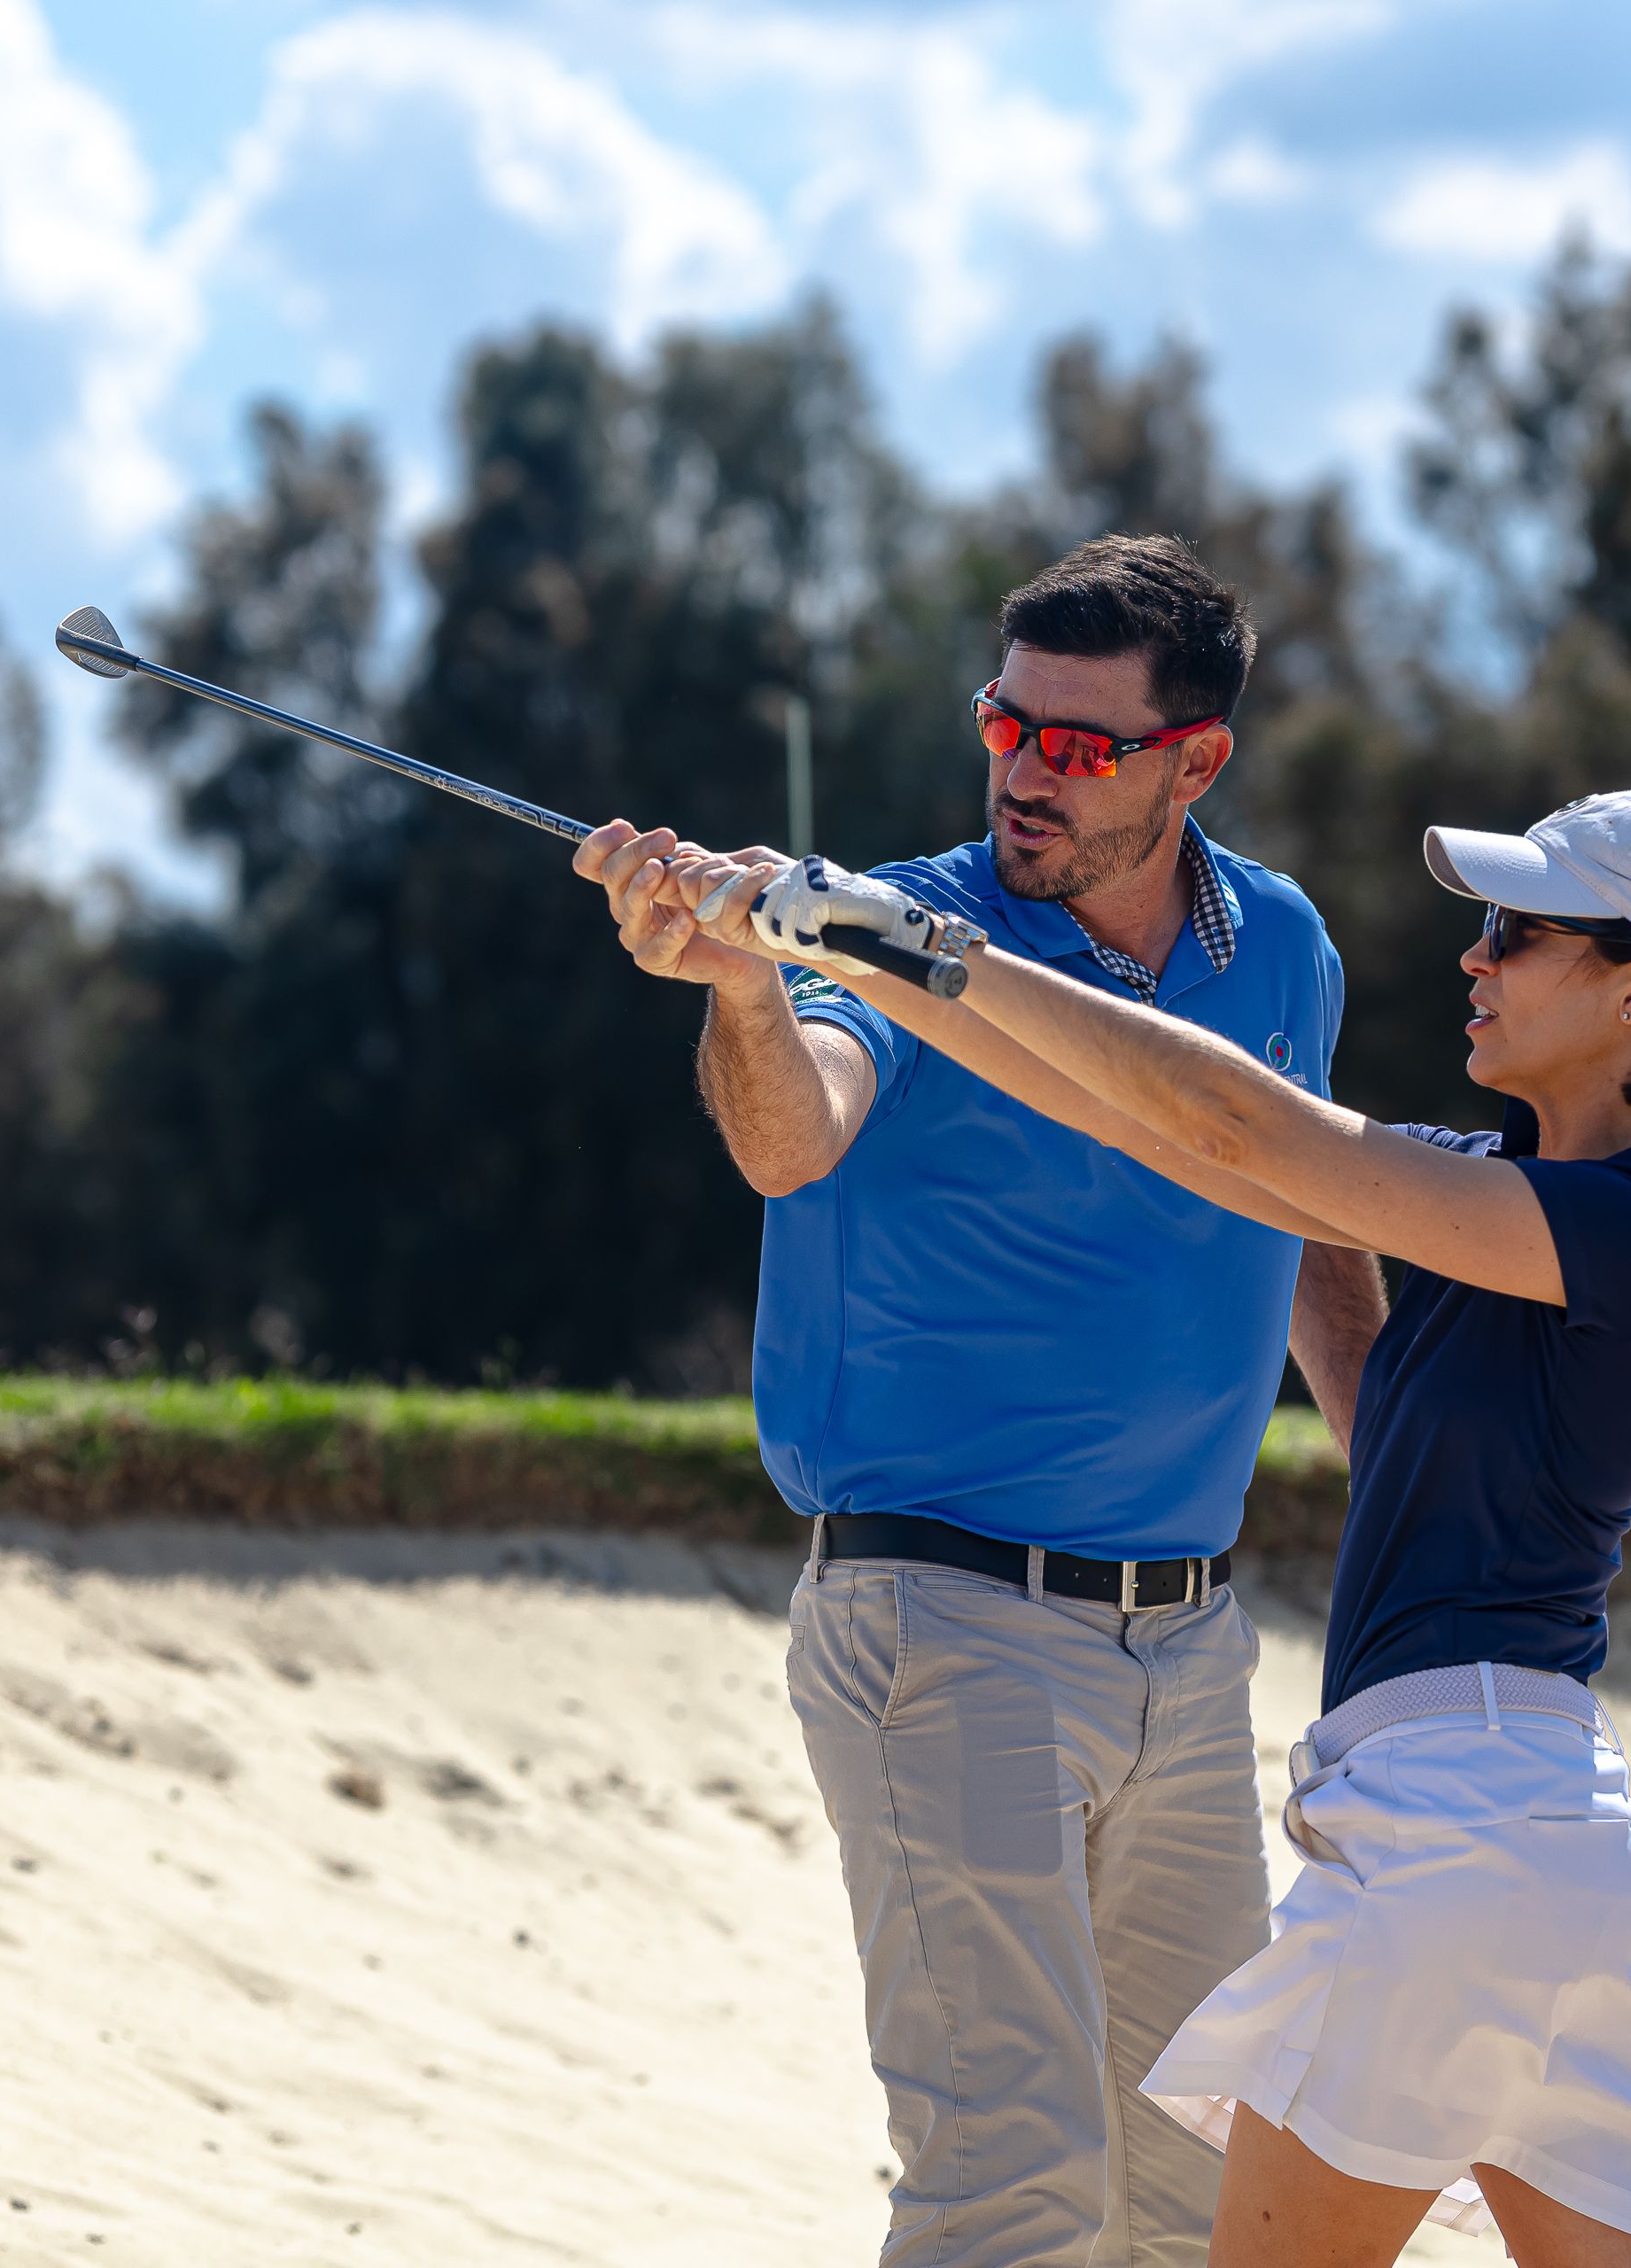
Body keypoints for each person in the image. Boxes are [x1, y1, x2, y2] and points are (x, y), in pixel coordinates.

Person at [650, 787, 1631, 2266]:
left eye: (1519, 932)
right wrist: (851, 965)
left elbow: (1242, 1122)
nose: (1477, 958)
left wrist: (928, 946)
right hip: (1571, 1862)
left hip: (1446, 1839)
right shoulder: (1521, 1197)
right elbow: (1186, 1142)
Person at [570, 534, 1390, 2268]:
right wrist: (737, 984)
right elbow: (795, 1134)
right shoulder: (892, 928)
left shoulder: (1286, 944)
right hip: (941, 1619)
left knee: (1193, 2194)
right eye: (1006, 723)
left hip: (1189, 1643)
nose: (1027, 768)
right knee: (1009, 2181)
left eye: (1081, 745)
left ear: (1196, 761)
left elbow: (1305, 1201)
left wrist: (1405, 1486)